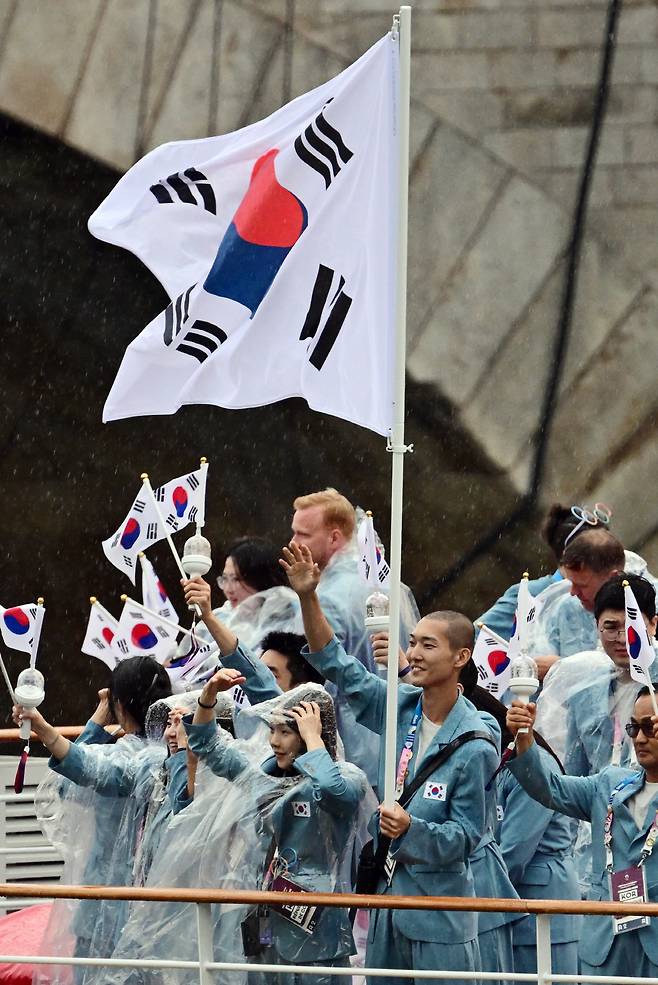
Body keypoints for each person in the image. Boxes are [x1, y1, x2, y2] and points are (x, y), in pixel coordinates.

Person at [281, 540, 499, 985]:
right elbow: (339, 666)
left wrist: (411, 830)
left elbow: (466, 838)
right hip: (387, 903)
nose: (413, 653)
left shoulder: (476, 740)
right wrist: (308, 597)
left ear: (460, 658)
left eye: (428, 646)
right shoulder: (402, 708)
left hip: (441, 916)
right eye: (413, 642)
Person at [185, 673, 368, 985]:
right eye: (272, 730)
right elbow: (206, 744)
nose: (273, 741)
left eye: (285, 732)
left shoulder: (345, 776)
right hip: (265, 925)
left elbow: (337, 794)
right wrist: (209, 695)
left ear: (313, 732)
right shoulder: (263, 779)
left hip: (316, 935)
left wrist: (314, 740)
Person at [25, 656, 172, 982]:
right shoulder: (174, 754)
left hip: (108, 896)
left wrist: (53, 730)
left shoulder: (131, 758)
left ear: (120, 705)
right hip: (157, 899)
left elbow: (81, 778)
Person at [507, 687, 658, 980]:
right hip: (604, 945)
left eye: (651, 727)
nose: (639, 738)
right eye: (634, 727)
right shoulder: (610, 783)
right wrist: (525, 738)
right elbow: (549, 788)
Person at [291, 489, 419, 786]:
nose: (293, 543)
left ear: (334, 538)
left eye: (303, 535)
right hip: (400, 740)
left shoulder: (323, 597)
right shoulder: (394, 585)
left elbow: (311, 677)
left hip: (350, 747)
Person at [477, 502, 611, 643]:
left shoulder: (615, 587)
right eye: (599, 548)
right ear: (571, 553)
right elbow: (473, 638)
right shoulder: (531, 594)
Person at [529, 528, 657, 663]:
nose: (573, 592)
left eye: (582, 586)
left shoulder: (651, 603)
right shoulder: (566, 609)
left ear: (613, 577)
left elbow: (633, 667)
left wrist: (563, 669)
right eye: (571, 583)